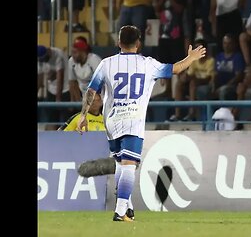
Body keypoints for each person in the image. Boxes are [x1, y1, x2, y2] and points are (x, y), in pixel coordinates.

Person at [76, 25, 206, 222]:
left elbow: (91, 91)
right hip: (132, 120)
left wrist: (83, 115)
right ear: (139, 43)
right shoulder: (148, 64)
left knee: (121, 162)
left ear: (118, 42)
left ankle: (127, 208)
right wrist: (191, 58)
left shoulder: (106, 64)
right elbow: (176, 69)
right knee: (129, 164)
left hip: (111, 120)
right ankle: (120, 211)